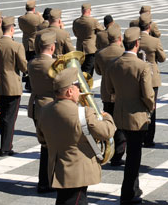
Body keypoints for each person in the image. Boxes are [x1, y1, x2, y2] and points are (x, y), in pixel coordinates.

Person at [40, 67, 116, 205]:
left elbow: (42, 139)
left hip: (57, 168)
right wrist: (107, 117)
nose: (80, 91)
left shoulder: (45, 110)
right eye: (77, 87)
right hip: (78, 171)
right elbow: (106, 132)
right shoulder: (84, 112)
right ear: (70, 91)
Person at [102, 27, 154, 205]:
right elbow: (147, 94)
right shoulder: (142, 66)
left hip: (119, 113)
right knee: (134, 156)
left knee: (131, 152)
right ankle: (128, 193)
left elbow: (109, 89)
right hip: (137, 115)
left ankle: (134, 188)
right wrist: (151, 106)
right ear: (137, 44)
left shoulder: (114, 64)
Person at [93, 25, 126, 167]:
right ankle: (118, 154)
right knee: (121, 124)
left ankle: (108, 149)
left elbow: (98, 71)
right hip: (121, 91)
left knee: (108, 119)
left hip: (106, 92)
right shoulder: (123, 52)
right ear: (120, 38)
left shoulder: (100, 54)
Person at [28, 31, 56, 193]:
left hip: (36, 106)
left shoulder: (32, 63)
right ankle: (47, 181)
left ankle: (44, 181)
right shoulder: (54, 65)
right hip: (51, 107)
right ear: (52, 47)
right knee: (52, 147)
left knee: (45, 146)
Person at [0, 16, 27, 156]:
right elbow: (23, 67)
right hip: (12, 85)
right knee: (9, 118)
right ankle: (6, 147)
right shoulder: (16, 46)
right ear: (12, 29)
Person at [137, 17, 166, 147]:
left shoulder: (136, 40)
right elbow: (162, 58)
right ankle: (149, 138)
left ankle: (140, 134)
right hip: (152, 76)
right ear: (149, 26)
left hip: (138, 75)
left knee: (139, 105)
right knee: (152, 107)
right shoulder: (154, 41)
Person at [72, 3, 104, 76]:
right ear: (89, 10)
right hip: (90, 49)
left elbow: (75, 33)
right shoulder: (93, 21)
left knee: (82, 70)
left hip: (80, 48)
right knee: (89, 71)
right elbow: (102, 31)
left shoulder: (76, 21)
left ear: (82, 10)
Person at [18, 0, 44, 64]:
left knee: (27, 61)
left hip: (25, 43)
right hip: (35, 43)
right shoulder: (37, 18)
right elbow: (43, 25)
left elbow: (21, 28)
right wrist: (40, 16)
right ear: (33, 8)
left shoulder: (21, 18)